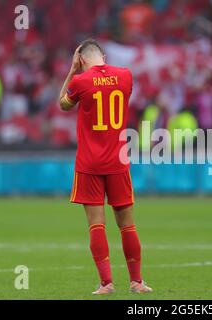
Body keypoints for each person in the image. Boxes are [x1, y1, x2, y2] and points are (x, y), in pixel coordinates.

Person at [58, 39, 152, 295]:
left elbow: (63, 105)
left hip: (89, 163)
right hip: (117, 161)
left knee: (96, 225)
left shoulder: (80, 81)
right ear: (104, 55)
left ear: (81, 60)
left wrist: (71, 71)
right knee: (127, 225)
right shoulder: (125, 76)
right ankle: (137, 282)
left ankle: (106, 284)